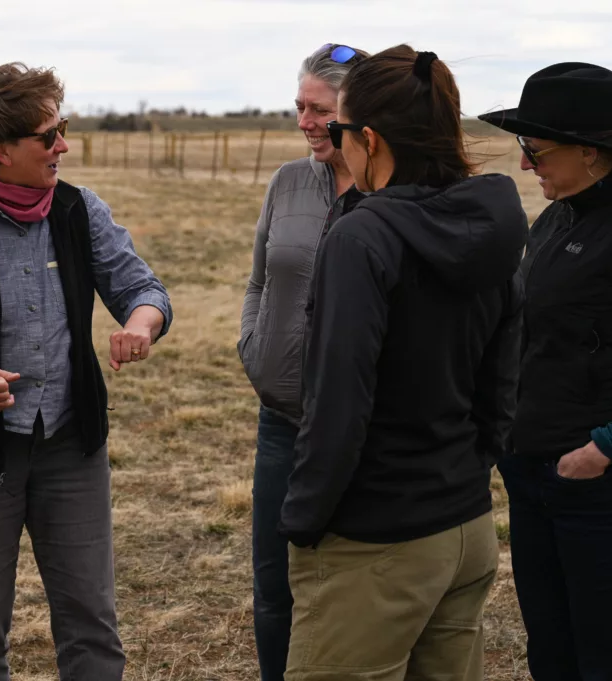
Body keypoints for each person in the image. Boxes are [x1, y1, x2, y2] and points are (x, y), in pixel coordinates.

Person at [0, 62, 173, 681]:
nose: (63, 146)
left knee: (92, 627)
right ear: (3, 151)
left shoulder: (79, 210)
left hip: (71, 447)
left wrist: (140, 325)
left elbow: (142, 288)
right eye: (50, 136)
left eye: (63, 129)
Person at [278, 45, 527, 680]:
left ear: (369, 139)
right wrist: (472, 469)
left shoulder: (362, 236)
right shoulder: (494, 221)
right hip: (465, 527)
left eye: (338, 131)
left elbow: (340, 397)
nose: (334, 143)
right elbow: (503, 374)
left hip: (375, 540)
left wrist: (304, 517)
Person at [479, 63, 612, 681]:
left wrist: (611, 447)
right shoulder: (557, 216)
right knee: (552, 655)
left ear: (592, 152)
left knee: (607, 662)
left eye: (536, 150)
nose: (526, 165)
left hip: (606, 488)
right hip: (536, 475)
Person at [237, 42, 368, 681]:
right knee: (273, 587)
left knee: (350, 587)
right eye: (299, 107)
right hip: (281, 422)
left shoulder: (391, 193)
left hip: (363, 430)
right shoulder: (288, 182)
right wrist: (254, 349)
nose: (306, 122)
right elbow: (261, 279)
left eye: (320, 109)